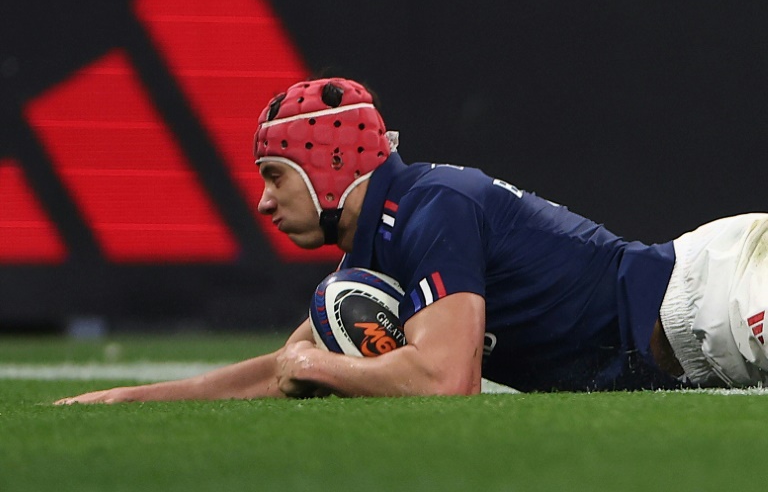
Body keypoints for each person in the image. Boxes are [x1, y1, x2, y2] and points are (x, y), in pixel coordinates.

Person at [56, 78, 768, 404]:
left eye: (275, 175)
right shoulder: (374, 252)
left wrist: (322, 368)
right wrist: (134, 398)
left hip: (719, 296)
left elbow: (444, 381)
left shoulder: (429, 209)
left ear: (327, 163)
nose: (263, 200)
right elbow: (278, 368)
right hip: (696, 348)